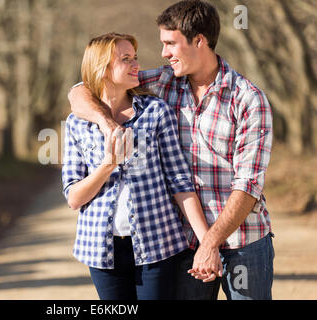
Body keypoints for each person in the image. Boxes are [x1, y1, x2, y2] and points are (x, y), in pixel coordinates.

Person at [68, 0, 274, 300]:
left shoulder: (248, 99)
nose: (164, 53)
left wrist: (210, 243)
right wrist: (104, 122)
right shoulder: (164, 82)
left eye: (170, 44)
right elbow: (82, 89)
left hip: (244, 241)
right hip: (185, 244)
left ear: (199, 41)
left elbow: (248, 186)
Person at [62, 32, 218, 300]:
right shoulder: (78, 123)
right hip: (101, 250)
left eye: (135, 57)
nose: (136, 65)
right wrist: (108, 165)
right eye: (125, 59)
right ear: (101, 68)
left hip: (157, 244)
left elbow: (180, 182)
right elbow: (74, 198)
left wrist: (208, 243)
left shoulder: (155, 112)